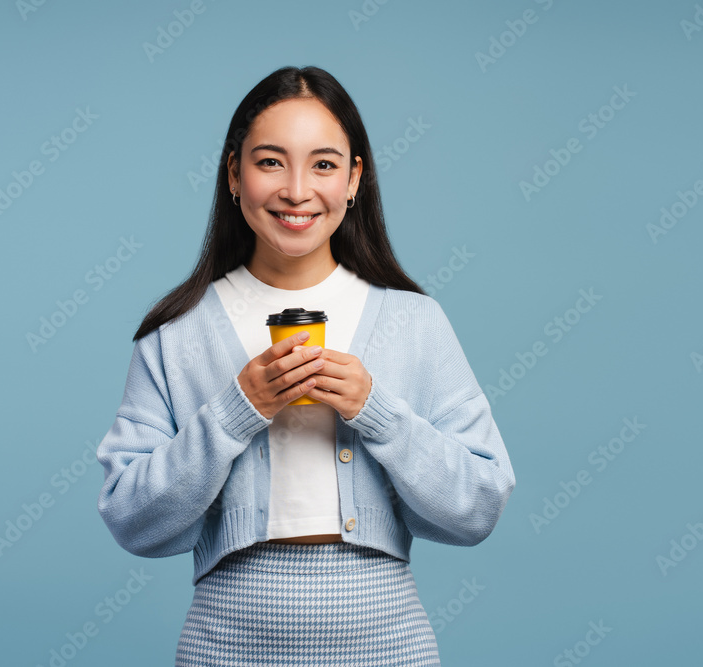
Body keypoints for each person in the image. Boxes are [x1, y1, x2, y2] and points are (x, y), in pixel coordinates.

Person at [95, 65, 515, 666]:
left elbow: (479, 506)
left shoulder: (414, 322)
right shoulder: (176, 335)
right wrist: (237, 412)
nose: (297, 190)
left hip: (387, 648)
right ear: (234, 175)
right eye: (270, 162)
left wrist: (380, 413)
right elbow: (132, 520)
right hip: (225, 649)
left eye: (323, 164)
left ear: (354, 179)